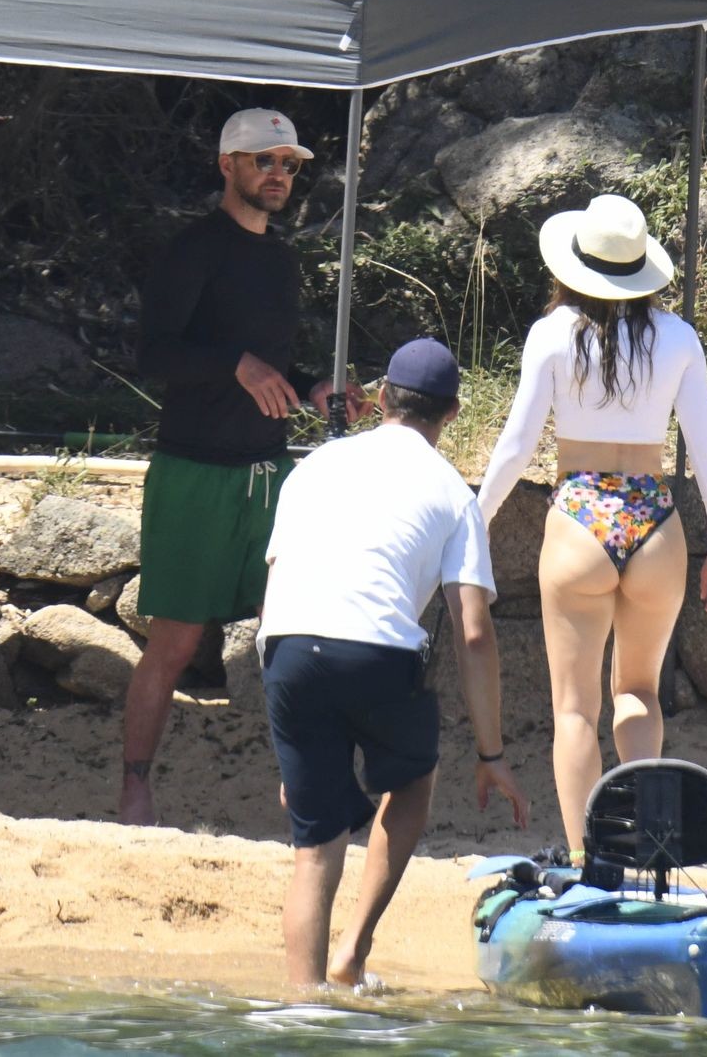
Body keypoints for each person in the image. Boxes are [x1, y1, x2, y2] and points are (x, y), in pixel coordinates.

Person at [259, 337, 529, 989]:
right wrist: (491, 753)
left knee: (314, 852)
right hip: (377, 653)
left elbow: (275, 590)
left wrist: (291, 749)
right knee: (411, 781)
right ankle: (351, 954)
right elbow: (473, 633)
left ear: (381, 397)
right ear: (453, 413)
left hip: (289, 649)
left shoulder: (314, 465)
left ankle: (304, 1007)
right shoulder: (454, 494)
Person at [476, 193, 707, 861]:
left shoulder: (552, 334)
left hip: (580, 514)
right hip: (654, 519)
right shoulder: (678, 337)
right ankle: (650, 850)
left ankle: (588, 862)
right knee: (640, 694)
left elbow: (516, 444)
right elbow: (706, 448)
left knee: (574, 710)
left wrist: (475, 521)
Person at [122, 108, 359, 828]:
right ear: (228, 166)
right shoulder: (194, 249)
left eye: (289, 164)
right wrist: (234, 364)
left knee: (287, 632)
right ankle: (134, 790)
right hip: (194, 471)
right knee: (175, 642)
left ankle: (307, 789)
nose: (279, 175)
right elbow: (155, 354)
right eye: (265, 161)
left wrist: (314, 386)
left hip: (268, 472)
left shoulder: (279, 260)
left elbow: (272, 361)